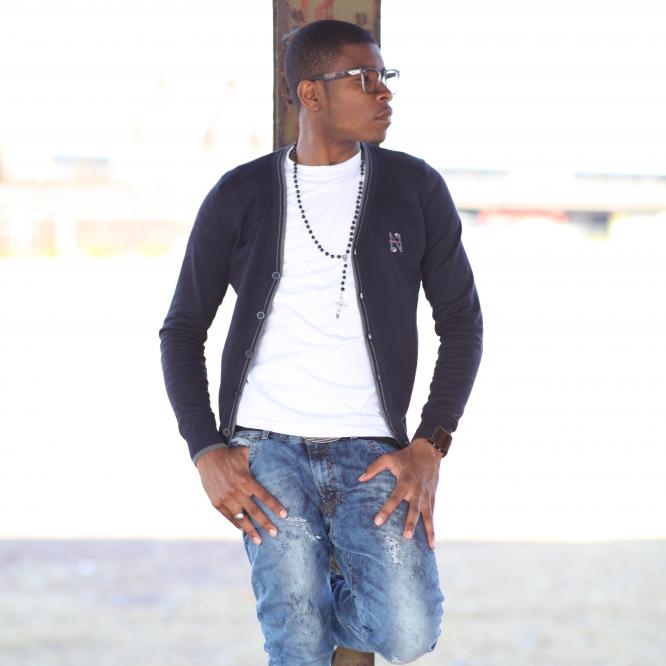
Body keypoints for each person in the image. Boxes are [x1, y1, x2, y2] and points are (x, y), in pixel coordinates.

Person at [159, 19, 482, 666]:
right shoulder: (239, 194)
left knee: (408, 632)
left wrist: (431, 443)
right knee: (298, 644)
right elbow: (183, 329)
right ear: (311, 94)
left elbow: (462, 322)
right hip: (265, 449)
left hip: (373, 450)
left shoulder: (416, 189)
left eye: (385, 77)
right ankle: (312, 603)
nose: (383, 92)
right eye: (365, 78)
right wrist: (206, 451)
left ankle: (332, 594)